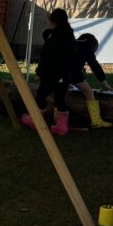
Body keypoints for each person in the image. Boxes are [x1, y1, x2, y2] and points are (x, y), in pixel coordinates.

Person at [22, 8, 75, 136]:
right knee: (59, 99)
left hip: (51, 74)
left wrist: (40, 72)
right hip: (64, 74)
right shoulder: (69, 36)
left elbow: (46, 57)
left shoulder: (53, 38)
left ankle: (35, 120)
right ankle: (62, 127)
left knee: (40, 96)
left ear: (53, 21)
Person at [69, 33, 113, 129]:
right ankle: (96, 121)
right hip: (73, 73)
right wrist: (104, 84)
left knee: (60, 94)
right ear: (93, 46)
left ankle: (58, 120)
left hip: (57, 72)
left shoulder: (72, 44)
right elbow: (96, 68)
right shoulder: (87, 50)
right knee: (89, 92)